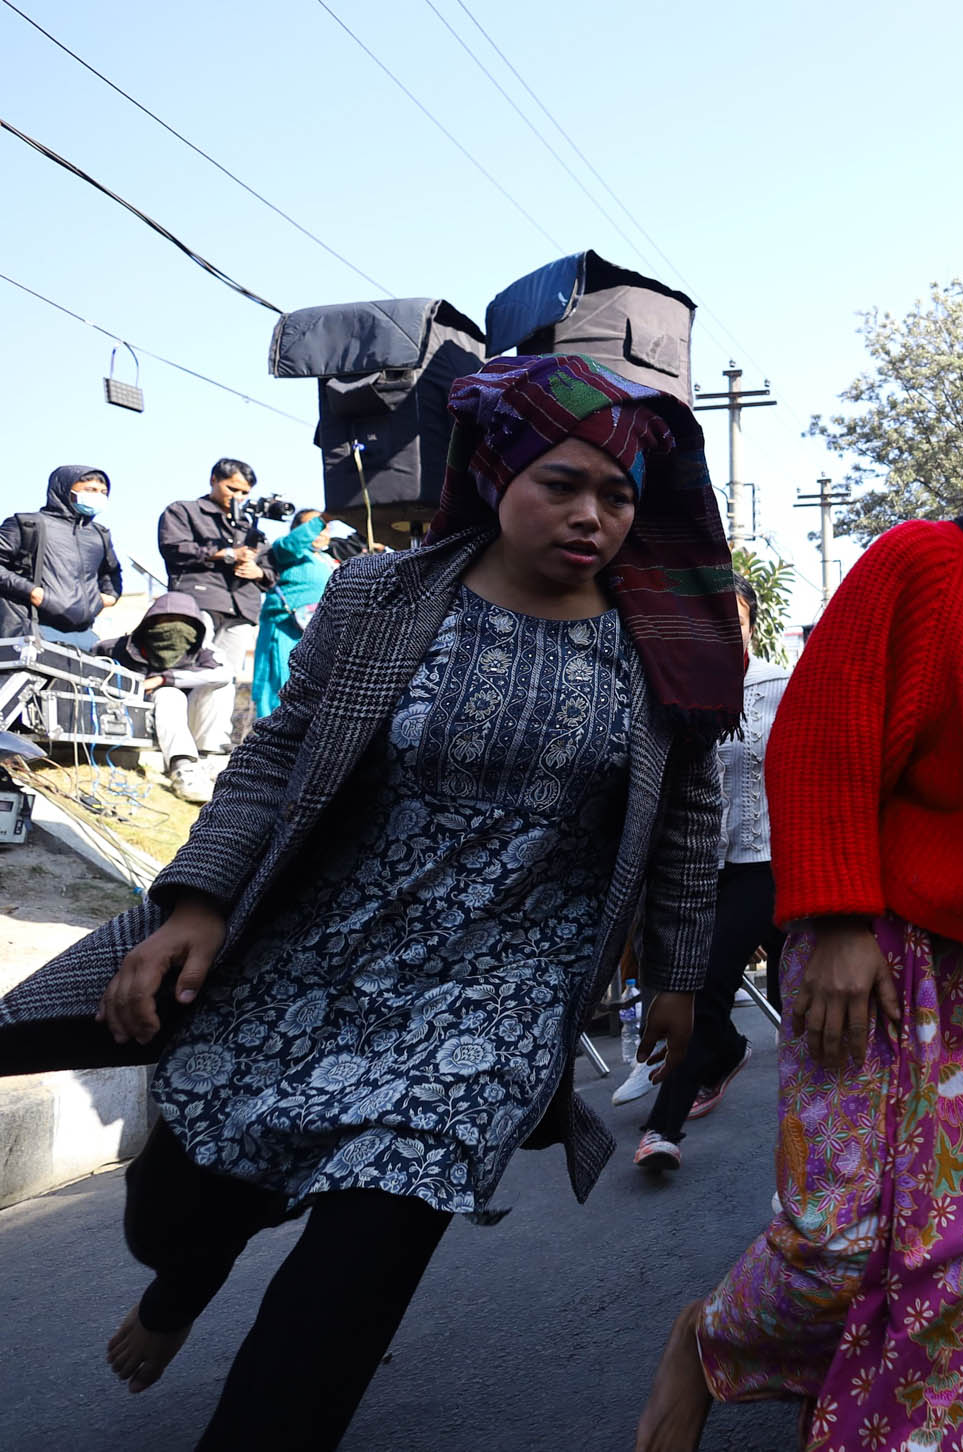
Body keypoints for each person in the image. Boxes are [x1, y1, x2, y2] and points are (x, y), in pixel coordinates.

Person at [0, 354, 737, 1451]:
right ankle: (184, 1279)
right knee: (180, 1205)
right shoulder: (381, 595)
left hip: (500, 992)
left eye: (617, 495)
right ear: (497, 478)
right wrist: (198, 902)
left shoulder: (667, 642)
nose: (592, 516)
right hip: (324, 943)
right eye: (562, 485)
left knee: (366, 1255)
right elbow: (279, 753)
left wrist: (676, 973)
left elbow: (687, 818)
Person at [635, 355, 963, 1452]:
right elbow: (819, 733)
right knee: (839, 1243)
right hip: (883, 958)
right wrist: (836, 919)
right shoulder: (923, 562)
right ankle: (709, 1341)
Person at [634, 573, 791, 1171]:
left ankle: (665, 1125)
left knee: (779, 997)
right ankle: (705, 1078)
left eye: (736, 620)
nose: (723, 631)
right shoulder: (676, 689)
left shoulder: (782, 685)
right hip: (702, 865)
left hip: (771, 860)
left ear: (752, 625)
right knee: (699, 990)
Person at [157, 458, 273, 726]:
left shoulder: (249, 526)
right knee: (191, 669)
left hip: (242, 609)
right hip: (199, 601)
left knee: (225, 676)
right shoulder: (183, 511)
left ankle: (212, 740)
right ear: (214, 480)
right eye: (232, 488)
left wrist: (258, 572)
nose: (238, 496)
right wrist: (226, 554)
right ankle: (176, 734)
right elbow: (174, 548)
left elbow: (270, 570)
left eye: (244, 492)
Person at [95, 594, 234, 806]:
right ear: (151, 621)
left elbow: (224, 674)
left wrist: (165, 679)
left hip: (192, 725)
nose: (175, 627)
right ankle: (183, 767)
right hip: (145, 722)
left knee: (219, 689)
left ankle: (208, 758)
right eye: (167, 619)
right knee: (170, 695)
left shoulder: (203, 652)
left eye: (184, 621)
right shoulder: (117, 648)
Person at [0, 465, 122, 648]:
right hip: (32, 629)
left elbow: (111, 573)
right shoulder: (28, 524)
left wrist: (106, 599)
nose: (98, 496)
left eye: (103, 492)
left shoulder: (99, 534)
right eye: (90, 490)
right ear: (65, 490)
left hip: (84, 636)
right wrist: (32, 592)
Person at [250, 509, 338, 719]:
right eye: (313, 525)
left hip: (318, 633)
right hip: (285, 627)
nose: (320, 531)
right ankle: (271, 730)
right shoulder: (285, 551)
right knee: (279, 681)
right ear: (296, 530)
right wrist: (324, 518)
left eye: (325, 527)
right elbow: (292, 544)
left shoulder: (327, 559)